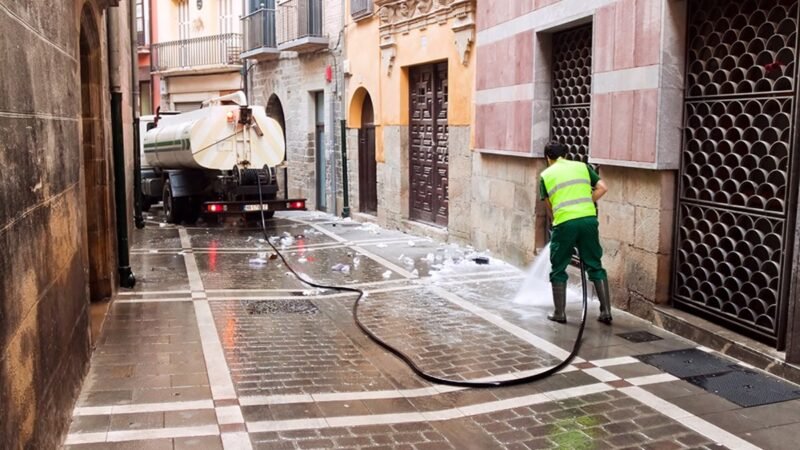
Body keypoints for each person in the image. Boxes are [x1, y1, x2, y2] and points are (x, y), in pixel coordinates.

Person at [539, 142, 612, 325]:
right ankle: (606, 311)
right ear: (566, 154)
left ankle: (559, 313)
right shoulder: (582, 167)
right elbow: (603, 187)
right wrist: (586, 201)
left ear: (548, 157)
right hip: (588, 219)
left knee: (558, 266)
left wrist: (557, 223)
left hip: (565, 222)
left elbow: (550, 208)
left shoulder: (546, 175)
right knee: (594, 264)